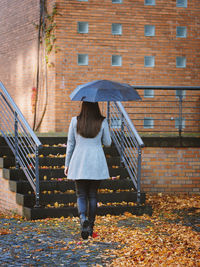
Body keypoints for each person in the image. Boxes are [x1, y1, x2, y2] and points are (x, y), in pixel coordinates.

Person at [64, 102, 112, 240]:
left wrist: (67, 164)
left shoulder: (75, 121)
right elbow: (108, 143)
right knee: (92, 195)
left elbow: (71, 143)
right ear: (96, 107)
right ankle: (90, 227)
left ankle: (83, 218)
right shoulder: (102, 121)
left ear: (83, 107)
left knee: (80, 194)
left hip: (79, 161)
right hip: (96, 161)